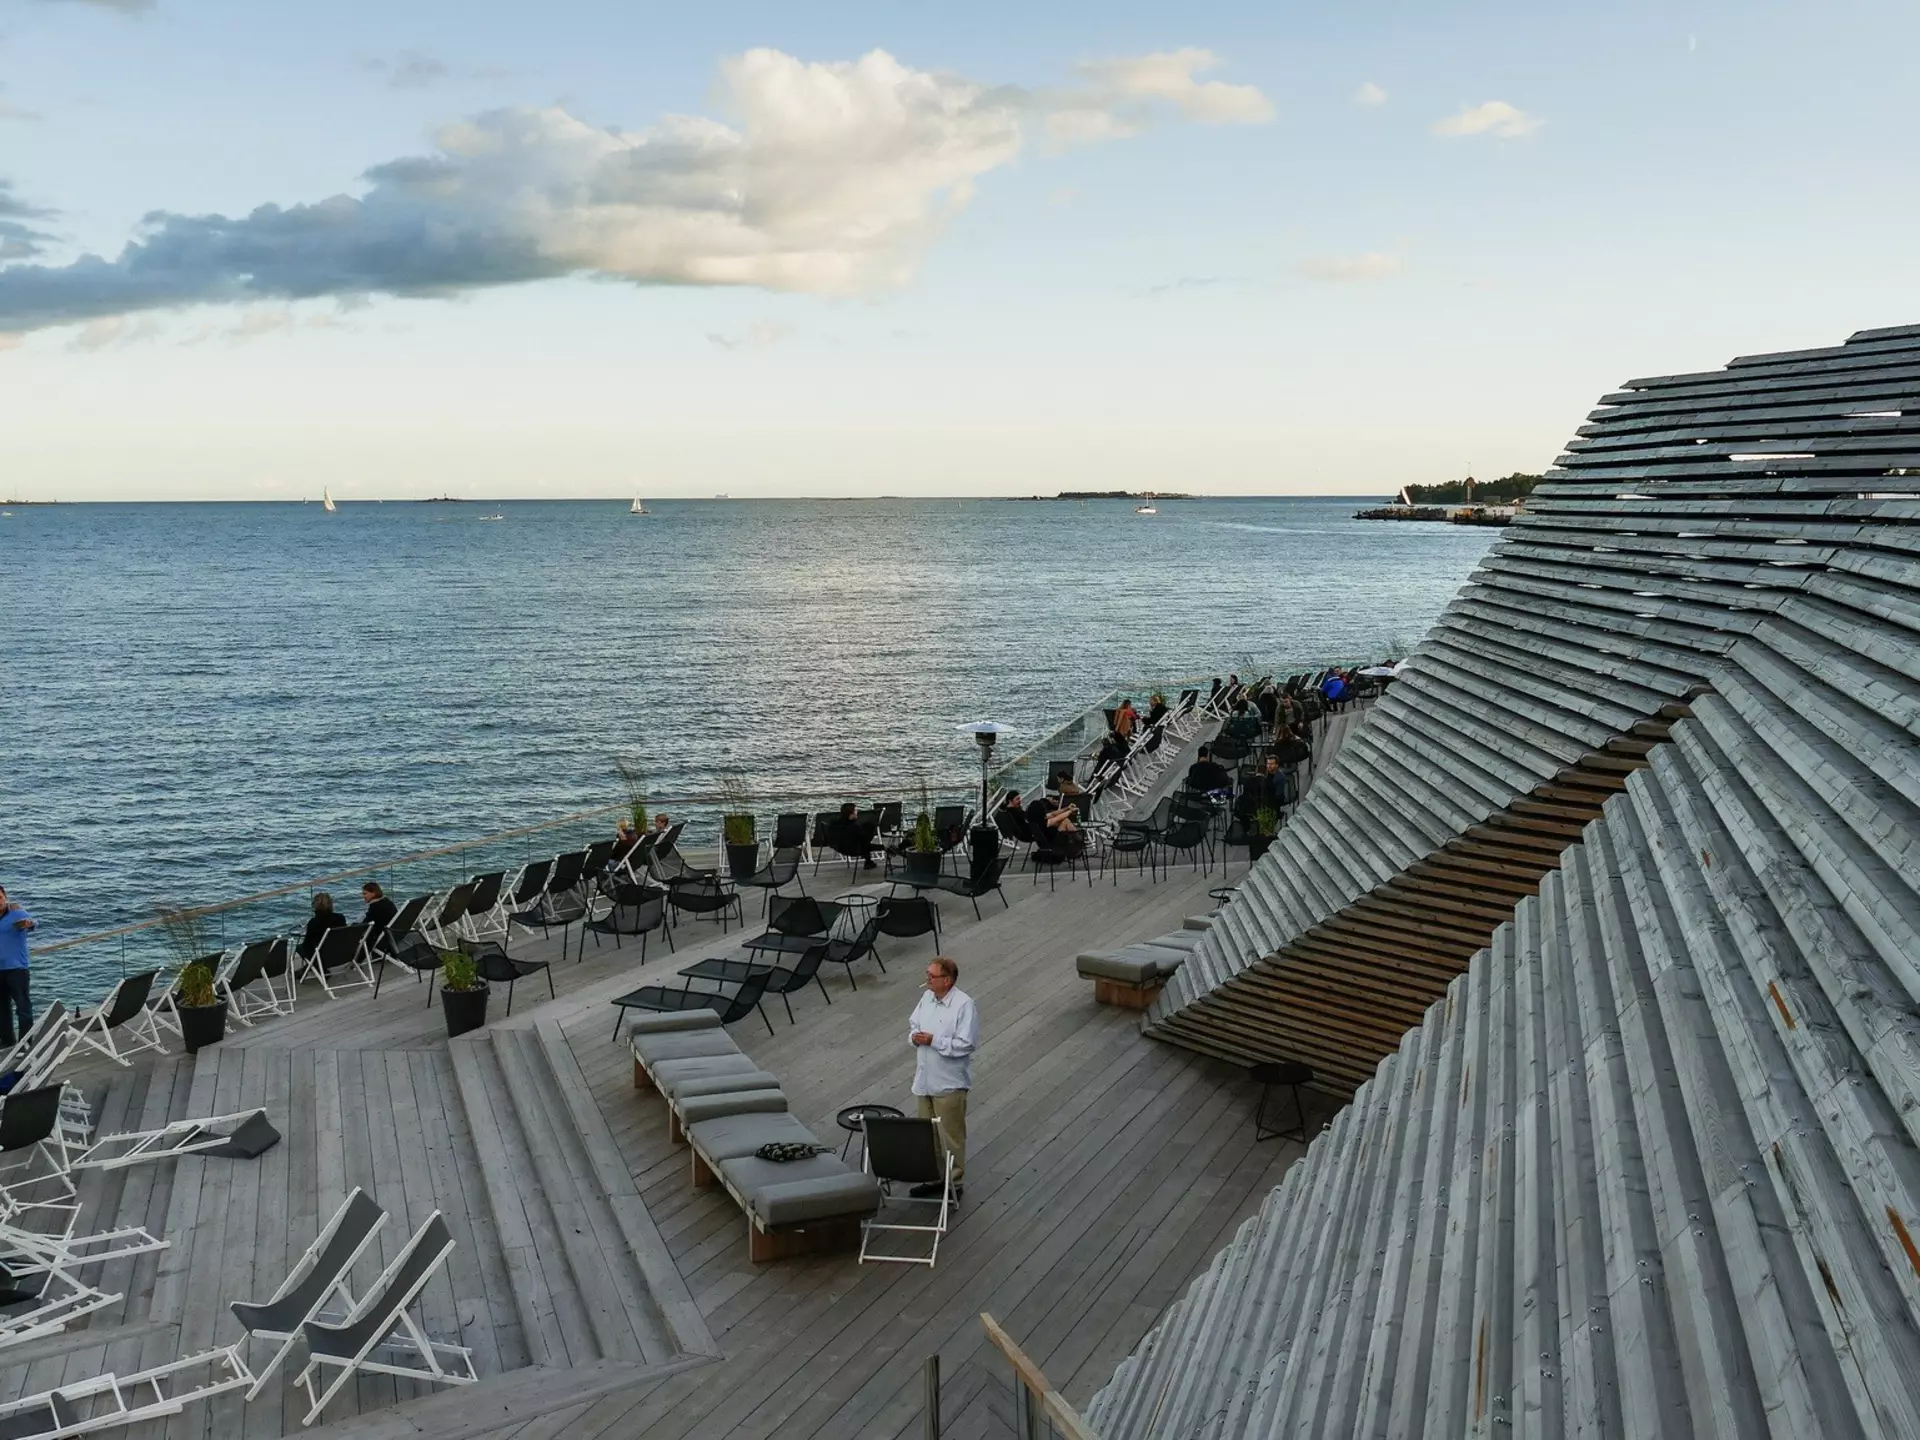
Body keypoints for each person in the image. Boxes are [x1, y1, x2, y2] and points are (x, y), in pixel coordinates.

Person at [907, 956, 977, 1198]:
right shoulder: (927, 997)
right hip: (925, 1080)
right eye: (927, 974)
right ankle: (934, 1178)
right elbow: (913, 1024)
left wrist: (934, 1041)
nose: (927, 979)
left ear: (946, 980)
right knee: (927, 1135)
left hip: (949, 1083)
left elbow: (966, 1044)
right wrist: (914, 1036)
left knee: (951, 1136)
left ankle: (954, 1183)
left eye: (932, 975)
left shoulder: (964, 1005)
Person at [0, 885, 35, 1048]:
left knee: (23, 1008)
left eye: (0, 898)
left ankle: (26, 1043)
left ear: (5, 897)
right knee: (2, 1009)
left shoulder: (17, 912)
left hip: (17, 969)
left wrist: (27, 924)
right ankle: (7, 1042)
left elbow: (33, 923)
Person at [297, 891, 344, 960]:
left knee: (299, 947)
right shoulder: (340, 918)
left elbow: (307, 946)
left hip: (321, 957)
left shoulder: (313, 922)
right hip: (340, 953)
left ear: (315, 905)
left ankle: (310, 964)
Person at [834, 801, 878, 869]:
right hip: (854, 850)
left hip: (840, 848)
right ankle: (868, 861)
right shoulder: (854, 827)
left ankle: (868, 861)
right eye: (855, 811)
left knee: (863, 839)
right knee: (866, 834)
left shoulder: (837, 824)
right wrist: (883, 847)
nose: (857, 812)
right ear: (851, 814)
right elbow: (866, 843)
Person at [358, 881, 398, 947]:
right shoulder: (387, 901)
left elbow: (365, 925)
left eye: (365, 894)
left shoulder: (375, 907)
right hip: (393, 933)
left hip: (382, 939)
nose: (363, 896)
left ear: (373, 893)